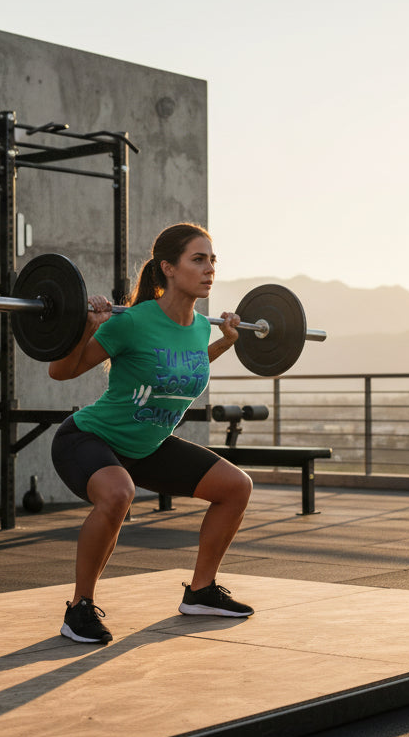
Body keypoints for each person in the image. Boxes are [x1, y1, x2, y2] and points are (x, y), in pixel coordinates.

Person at [48, 222, 255, 644]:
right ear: (168, 268)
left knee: (236, 486)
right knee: (118, 493)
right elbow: (61, 371)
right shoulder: (133, 322)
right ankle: (79, 608)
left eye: (212, 260)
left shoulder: (200, 327)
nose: (209, 269)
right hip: (90, 438)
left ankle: (201, 592)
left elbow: (181, 368)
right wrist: (87, 326)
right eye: (198, 259)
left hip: (147, 446)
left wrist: (225, 343)